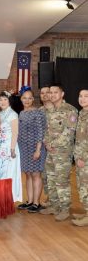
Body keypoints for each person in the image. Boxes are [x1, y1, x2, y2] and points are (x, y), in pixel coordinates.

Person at [40, 85, 78, 221]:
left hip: (63, 152)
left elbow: (69, 132)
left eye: (56, 92)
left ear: (62, 94)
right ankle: (54, 205)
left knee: (62, 180)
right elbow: (46, 130)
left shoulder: (70, 110)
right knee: (50, 178)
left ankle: (65, 209)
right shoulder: (50, 110)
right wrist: (46, 143)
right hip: (50, 151)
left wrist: (52, 145)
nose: (52, 95)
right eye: (51, 92)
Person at [17, 90, 46, 213]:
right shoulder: (22, 113)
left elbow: (41, 131)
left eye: (29, 98)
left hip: (35, 147)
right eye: (24, 98)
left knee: (36, 174)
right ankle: (29, 201)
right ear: (21, 99)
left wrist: (38, 149)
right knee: (28, 174)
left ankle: (36, 202)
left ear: (33, 99)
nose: (27, 100)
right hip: (24, 148)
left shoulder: (38, 113)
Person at [0, 91, 22, 202]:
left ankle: (9, 198)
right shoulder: (0, 114)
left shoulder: (13, 114)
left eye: (5, 99)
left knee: (9, 173)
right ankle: (1, 197)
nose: (2, 102)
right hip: (0, 147)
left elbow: (15, 132)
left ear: (9, 101)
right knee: (1, 172)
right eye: (1, 100)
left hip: (9, 147)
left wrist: (12, 149)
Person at [72, 89, 88, 226]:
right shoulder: (82, 113)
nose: (82, 99)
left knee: (86, 186)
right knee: (82, 185)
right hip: (80, 157)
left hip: (86, 158)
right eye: (80, 96)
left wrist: (83, 157)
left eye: (86, 96)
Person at [39, 86, 53, 206]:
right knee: (44, 175)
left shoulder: (57, 109)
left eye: (47, 92)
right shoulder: (40, 110)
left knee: (56, 176)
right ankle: (50, 199)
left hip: (54, 149)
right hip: (43, 149)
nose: (44, 95)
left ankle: (57, 202)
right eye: (42, 93)